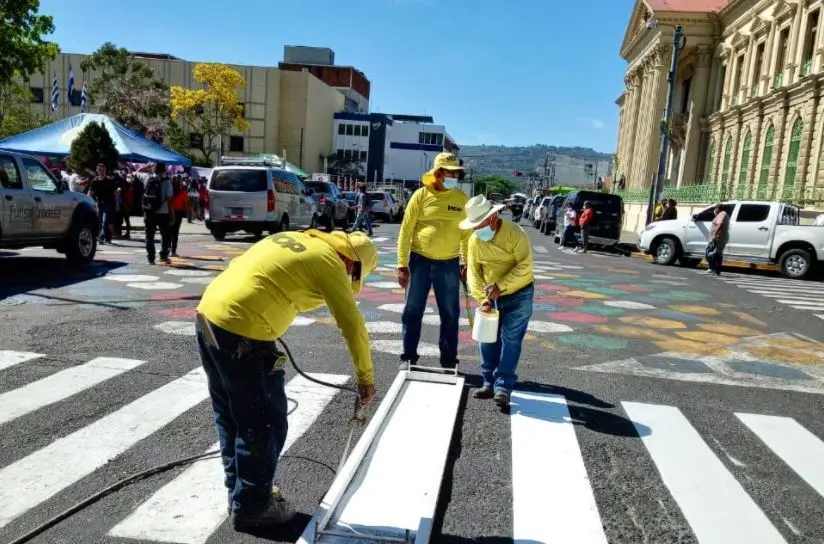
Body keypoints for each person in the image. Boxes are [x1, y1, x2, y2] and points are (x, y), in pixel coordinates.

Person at [195, 229, 378, 530]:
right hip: (243, 332)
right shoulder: (330, 261)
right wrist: (365, 379)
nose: (349, 279)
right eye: (354, 274)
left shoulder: (296, 239)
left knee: (231, 414)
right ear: (352, 263)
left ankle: (240, 495)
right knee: (265, 423)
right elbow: (353, 324)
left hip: (209, 317)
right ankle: (253, 506)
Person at [460, 195, 534, 407]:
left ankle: (503, 386)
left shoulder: (516, 234)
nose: (477, 230)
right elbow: (473, 273)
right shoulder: (475, 240)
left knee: (511, 339)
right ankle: (488, 381)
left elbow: (525, 267)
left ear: (493, 218)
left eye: (480, 225)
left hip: (519, 293)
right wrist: (483, 299)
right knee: (487, 339)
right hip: (488, 296)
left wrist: (500, 286)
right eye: (474, 227)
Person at [397, 152, 469, 369]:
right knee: (412, 311)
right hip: (420, 261)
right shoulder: (420, 196)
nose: (453, 176)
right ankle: (409, 357)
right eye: (450, 172)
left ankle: (448, 360)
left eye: (456, 173)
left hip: (449, 263)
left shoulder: (461, 200)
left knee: (450, 313)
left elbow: (466, 236)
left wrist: (465, 264)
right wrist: (402, 264)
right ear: (438, 174)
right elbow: (406, 231)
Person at [141, 162, 174, 265]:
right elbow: (169, 198)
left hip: (149, 211)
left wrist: (146, 167)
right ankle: (163, 256)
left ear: (154, 169)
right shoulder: (167, 181)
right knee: (165, 234)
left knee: (149, 235)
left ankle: (151, 258)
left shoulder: (147, 178)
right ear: (164, 170)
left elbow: (135, 173)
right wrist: (171, 212)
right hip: (163, 212)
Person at [88, 163, 119, 244]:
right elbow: (90, 192)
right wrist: (88, 201)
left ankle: (101, 236)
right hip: (99, 203)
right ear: (97, 170)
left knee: (105, 221)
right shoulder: (95, 181)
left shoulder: (110, 180)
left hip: (110, 203)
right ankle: (108, 238)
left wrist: (117, 204)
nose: (102, 172)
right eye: (100, 170)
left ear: (106, 170)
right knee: (101, 221)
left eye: (103, 170)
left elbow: (115, 193)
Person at [707, 204, 729, 276]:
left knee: (712, 252)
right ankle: (716, 270)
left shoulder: (722, 214)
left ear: (719, 208)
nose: (715, 210)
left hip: (719, 237)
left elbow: (720, 223)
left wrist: (714, 234)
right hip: (719, 237)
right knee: (717, 253)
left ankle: (713, 268)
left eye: (716, 208)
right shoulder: (722, 214)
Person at [169, 176, 188, 257]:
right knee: (175, 233)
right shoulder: (182, 193)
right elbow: (186, 203)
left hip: (168, 213)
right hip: (178, 214)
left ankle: (167, 249)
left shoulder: (169, 192)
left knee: (168, 232)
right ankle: (173, 251)